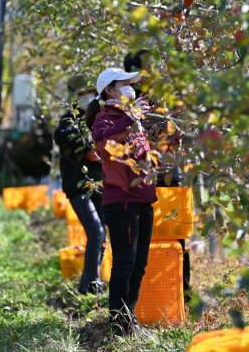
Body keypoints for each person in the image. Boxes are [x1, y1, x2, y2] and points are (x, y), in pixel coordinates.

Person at [86, 67, 157, 336]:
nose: (131, 88)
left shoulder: (136, 119)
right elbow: (104, 144)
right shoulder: (105, 119)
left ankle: (130, 318)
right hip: (121, 201)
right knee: (125, 262)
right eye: (124, 83)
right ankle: (119, 323)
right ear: (110, 90)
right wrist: (130, 117)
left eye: (132, 83)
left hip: (142, 198)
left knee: (139, 263)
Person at [123, 50, 191, 298]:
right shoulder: (127, 100)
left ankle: (181, 292)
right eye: (150, 67)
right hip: (140, 180)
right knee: (143, 241)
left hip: (167, 176)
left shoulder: (163, 98)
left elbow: (174, 137)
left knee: (176, 236)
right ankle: (147, 295)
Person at [53, 74, 106, 295]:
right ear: (75, 97)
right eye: (82, 95)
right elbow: (62, 138)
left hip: (100, 183)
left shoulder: (98, 116)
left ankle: (87, 286)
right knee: (96, 233)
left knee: (101, 234)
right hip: (78, 186)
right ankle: (92, 284)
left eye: (90, 93)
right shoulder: (69, 121)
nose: (87, 98)